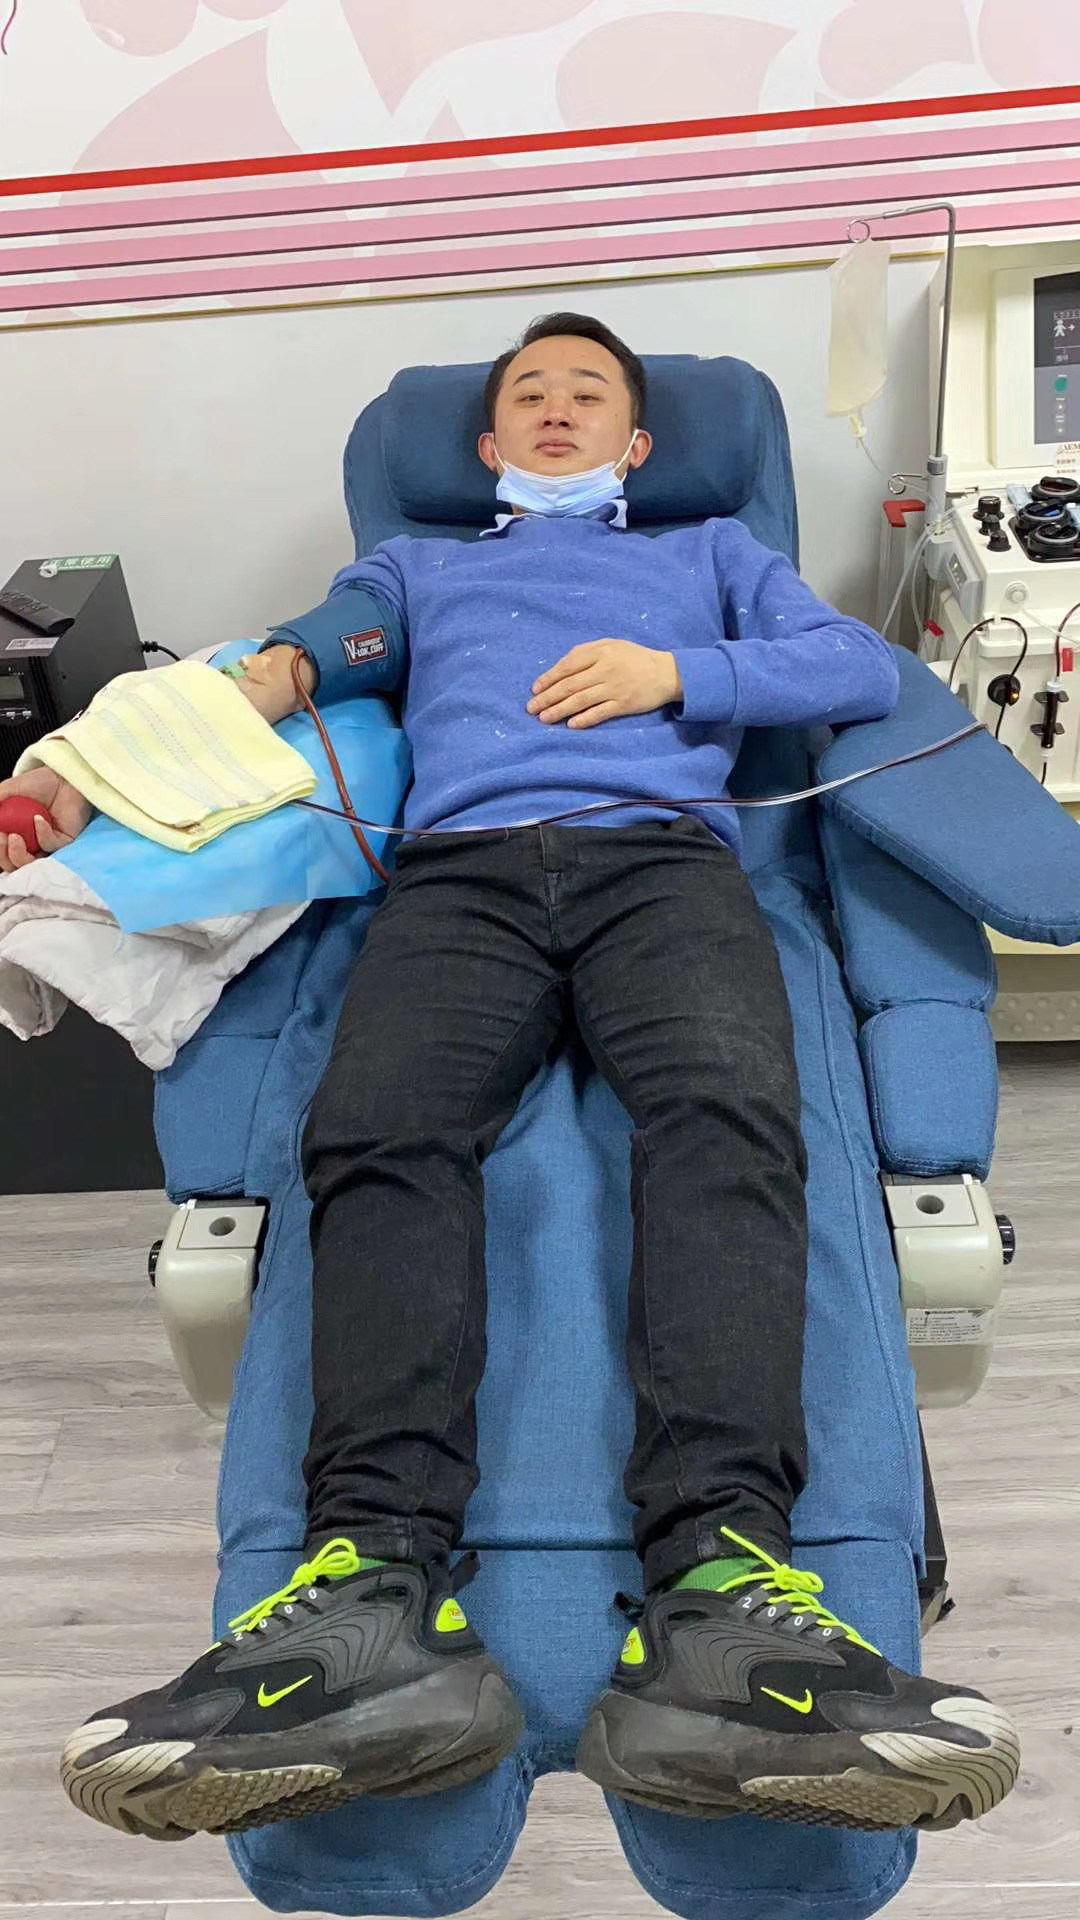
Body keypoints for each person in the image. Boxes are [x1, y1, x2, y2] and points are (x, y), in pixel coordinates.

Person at [4, 315, 1018, 1843]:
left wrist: (675, 670)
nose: (554, 410)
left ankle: (720, 1599)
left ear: (636, 444)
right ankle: (373, 1602)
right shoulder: (419, 571)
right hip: (459, 881)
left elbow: (845, 664)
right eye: (526, 395)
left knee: (731, 1125)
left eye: (585, 394)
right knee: (376, 1135)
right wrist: (119, 755)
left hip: (663, 868)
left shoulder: (710, 555)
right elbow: (301, 658)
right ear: (484, 447)